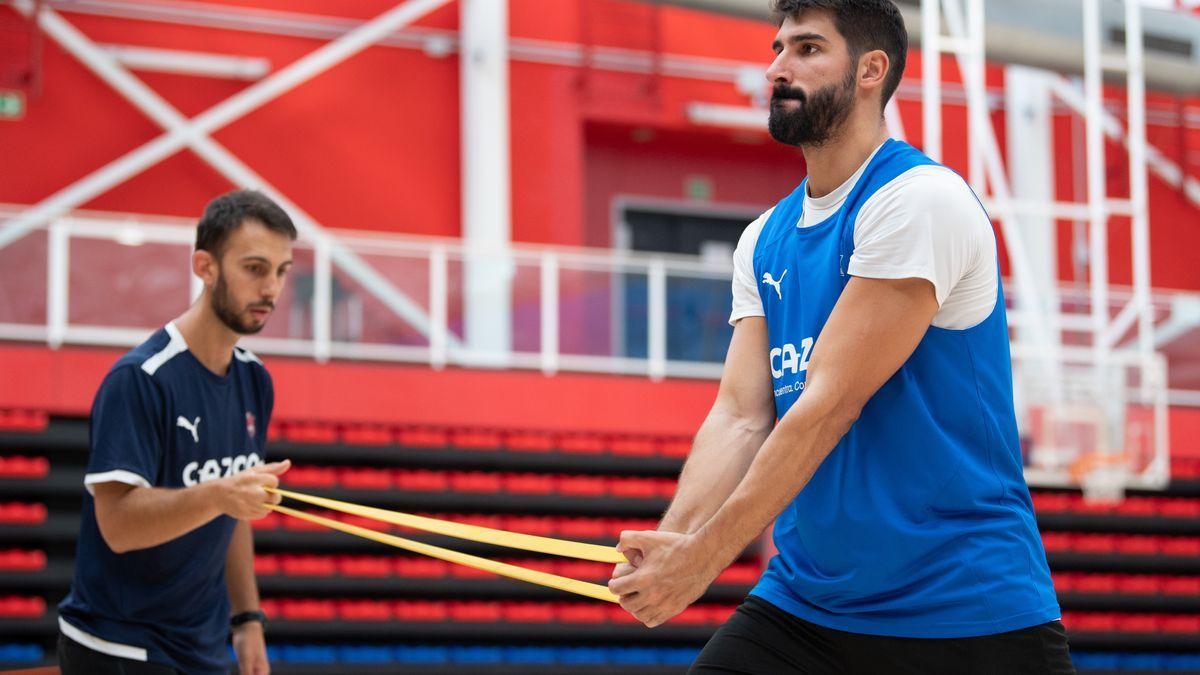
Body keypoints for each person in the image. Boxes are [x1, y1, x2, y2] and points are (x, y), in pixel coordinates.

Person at [607, 1, 1074, 673]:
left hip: (963, 608)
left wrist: (704, 558)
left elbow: (826, 403)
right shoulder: (763, 239)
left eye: (806, 49)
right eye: (776, 49)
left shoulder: (918, 201)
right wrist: (675, 538)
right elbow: (741, 415)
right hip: (808, 606)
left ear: (870, 70)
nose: (777, 67)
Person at [57, 190, 297, 675]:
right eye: (254, 268)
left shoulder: (255, 380)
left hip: (202, 645)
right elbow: (119, 526)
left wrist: (247, 621)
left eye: (281, 270)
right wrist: (220, 496)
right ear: (205, 267)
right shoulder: (140, 379)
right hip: (118, 646)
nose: (271, 287)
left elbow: (235, 510)